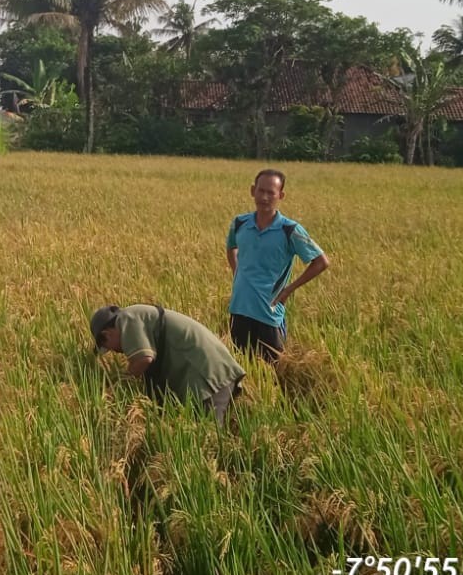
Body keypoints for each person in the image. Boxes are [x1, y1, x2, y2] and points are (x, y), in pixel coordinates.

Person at [225, 167, 329, 362]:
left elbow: (321, 262)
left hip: (269, 313)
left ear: (280, 195)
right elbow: (231, 248)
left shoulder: (290, 230)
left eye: (270, 193)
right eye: (261, 191)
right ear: (252, 191)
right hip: (239, 308)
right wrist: (237, 272)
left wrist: (288, 290)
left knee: (273, 368)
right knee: (240, 365)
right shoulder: (239, 223)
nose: (264, 197)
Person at [90, 303, 245, 425]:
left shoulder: (127, 319)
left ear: (106, 335)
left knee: (208, 436)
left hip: (208, 375)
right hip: (211, 372)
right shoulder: (138, 317)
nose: (117, 351)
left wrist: (118, 387)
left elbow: (143, 359)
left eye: (109, 347)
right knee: (206, 434)